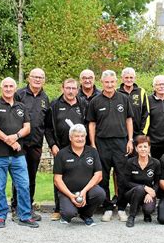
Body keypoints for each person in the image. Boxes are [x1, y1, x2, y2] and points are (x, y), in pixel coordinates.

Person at [0, 77, 38, 228]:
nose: (8, 89)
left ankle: (25, 216)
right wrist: (8, 140)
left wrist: (16, 137)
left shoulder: (21, 106)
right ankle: (1, 216)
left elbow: (27, 127)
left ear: (15, 89)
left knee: (23, 185)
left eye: (11, 86)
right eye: (5, 86)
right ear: (1, 88)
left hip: (18, 155)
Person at [87, 70, 134, 222]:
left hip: (121, 142)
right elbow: (92, 124)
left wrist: (130, 140)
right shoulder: (95, 101)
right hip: (102, 143)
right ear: (102, 82)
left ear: (116, 81)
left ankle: (121, 208)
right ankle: (107, 207)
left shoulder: (124, 98)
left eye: (112, 82)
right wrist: (93, 144)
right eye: (106, 82)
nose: (109, 84)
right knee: (104, 177)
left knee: (122, 177)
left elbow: (129, 120)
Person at [45, 78, 88, 221]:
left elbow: (89, 125)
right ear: (62, 88)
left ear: (77, 89)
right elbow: (48, 128)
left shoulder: (83, 104)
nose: (70, 91)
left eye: (73, 88)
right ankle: (58, 208)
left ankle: (83, 206)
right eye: (68, 88)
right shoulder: (54, 105)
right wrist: (53, 145)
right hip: (61, 148)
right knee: (59, 178)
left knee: (81, 175)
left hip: (80, 148)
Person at [11, 68, 49, 222]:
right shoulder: (19, 95)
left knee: (31, 177)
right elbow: (10, 117)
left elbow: (46, 123)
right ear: (29, 78)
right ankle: (15, 208)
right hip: (20, 144)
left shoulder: (45, 98)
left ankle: (28, 206)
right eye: (35, 77)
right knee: (19, 177)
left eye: (41, 77)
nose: (38, 80)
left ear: (44, 80)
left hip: (35, 144)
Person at [53, 124, 105, 226]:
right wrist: (71, 196)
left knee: (100, 193)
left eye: (82, 136)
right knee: (69, 213)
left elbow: (98, 175)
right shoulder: (61, 154)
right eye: (77, 136)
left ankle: (86, 215)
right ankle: (68, 212)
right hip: (67, 192)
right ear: (70, 138)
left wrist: (84, 191)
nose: (80, 139)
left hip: (87, 191)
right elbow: (57, 180)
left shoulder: (93, 152)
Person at [123, 135, 161, 227]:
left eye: (145, 146)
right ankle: (132, 216)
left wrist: (151, 193)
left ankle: (146, 214)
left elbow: (157, 182)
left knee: (148, 209)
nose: (143, 149)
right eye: (140, 147)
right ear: (136, 149)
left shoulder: (156, 163)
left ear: (149, 148)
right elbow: (126, 182)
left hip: (149, 193)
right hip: (131, 193)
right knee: (139, 189)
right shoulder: (130, 162)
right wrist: (144, 187)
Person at [118, 67, 150, 138]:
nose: (129, 80)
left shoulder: (141, 91)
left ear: (135, 78)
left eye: (131, 77)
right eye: (126, 77)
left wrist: (142, 133)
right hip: (121, 135)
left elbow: (146, 114)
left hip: (138, 134)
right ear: (122, 78)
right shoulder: (117, 92)